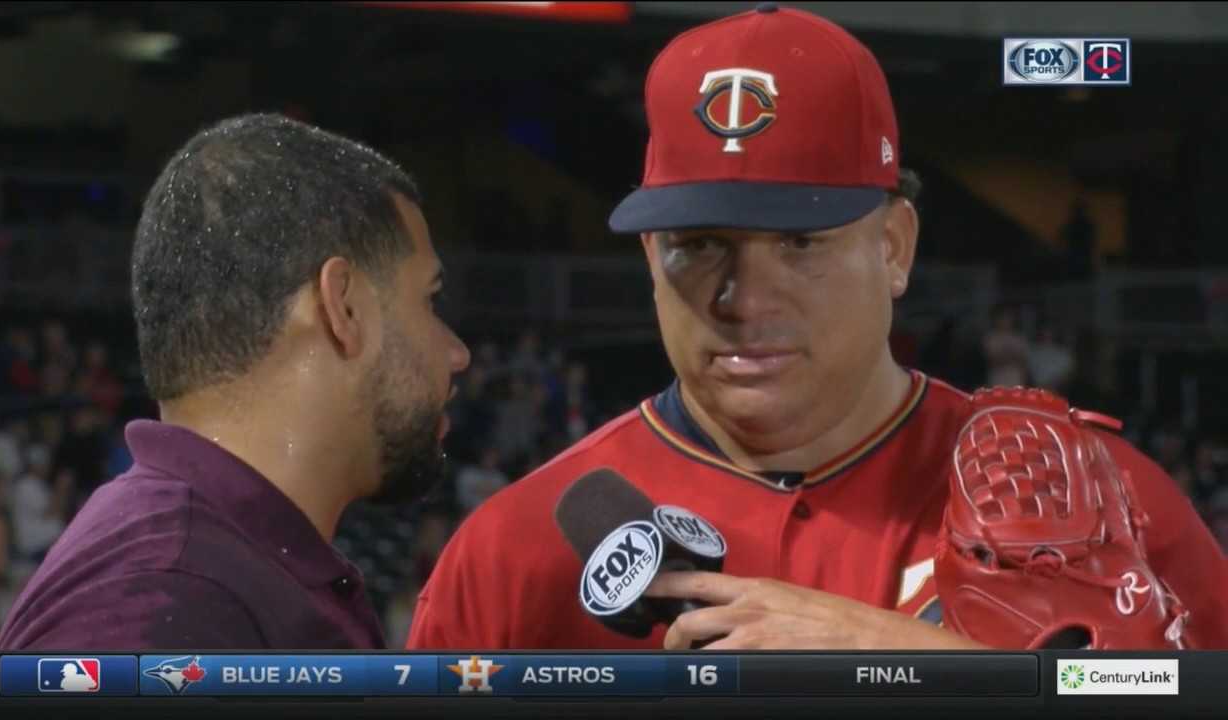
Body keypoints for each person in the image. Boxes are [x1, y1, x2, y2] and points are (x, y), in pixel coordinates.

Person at [406, 5, 1228, 651]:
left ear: (895, 248)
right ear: (650, 258)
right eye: (699, 245)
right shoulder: (511, 552)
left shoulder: (1091, 492)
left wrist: (908, 659)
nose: (744, 297)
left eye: (800, 242)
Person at [0, 113, 470, 650]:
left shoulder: (205, 571)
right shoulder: (165, 601)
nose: (457, 353)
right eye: (429, 301)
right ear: (345, 308)